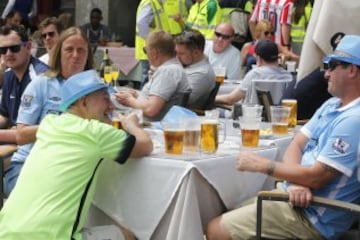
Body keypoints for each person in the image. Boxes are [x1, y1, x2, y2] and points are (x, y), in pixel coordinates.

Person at [206, 34, 360, 240]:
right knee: (221, 210)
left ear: (352, 70)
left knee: (216, 229)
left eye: (332, 65)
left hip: (314, 217)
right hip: (295, 196)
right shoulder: (332, 104)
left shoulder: (354, 119)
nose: (326, 73)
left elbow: (317, 177)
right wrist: (297, 182)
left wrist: (263, 165)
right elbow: (296, 144)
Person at [0, 69, 153, 239]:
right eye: (105, 98)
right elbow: (145, 146)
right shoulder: (96, 133)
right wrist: (131, 125)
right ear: (83, 101)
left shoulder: (50, 123)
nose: (111, 106)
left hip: (7, 231)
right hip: (52, 237)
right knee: (129, 235)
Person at [4, 26, 94, 196]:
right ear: (59, 53)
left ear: (88, 54)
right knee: (44, 198)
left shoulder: (96, 89)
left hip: (75, 165)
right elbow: (21, 135)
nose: (75, 55)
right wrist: (64, 125)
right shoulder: (41, 84)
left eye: (81, 50)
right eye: (69, 49)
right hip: (30, 164)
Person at [115, 30, 190, 121]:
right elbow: (154, 100)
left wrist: (129, 100)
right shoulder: (172, 68)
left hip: (147, 126)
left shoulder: (167, 71)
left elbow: (151, 110)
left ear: (154, 53)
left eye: (145, 50)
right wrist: (137, 95)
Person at [0, 25, 48, 143]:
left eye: (14, 48)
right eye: (3, 50)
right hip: (14, 140)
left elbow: (39, 131)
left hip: (34, 146)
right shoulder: (8, 75)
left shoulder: (41, 77)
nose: (8, 53)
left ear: (28, 46)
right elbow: (4, 116)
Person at [216, 39, 292, 105]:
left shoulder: (255, 74)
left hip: (253, 117)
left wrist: (210, 98)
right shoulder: (288, 76)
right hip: (280, 117)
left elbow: (231, 99)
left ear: (259, 58)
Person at [174, 29, 215, 109]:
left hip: (181, 116)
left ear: (196, 53)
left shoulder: (202, 74)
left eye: (181, 54)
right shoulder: (187, 64)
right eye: (176, 53)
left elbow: (180, 101)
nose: (177, 57)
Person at [135, 0, 171, 86]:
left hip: (154, 49)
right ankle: (144, 99)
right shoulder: (150, 3)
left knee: (151, 78)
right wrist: (150, 41)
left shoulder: (156, 3)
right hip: (152, 49)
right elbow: (141, 23)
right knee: (149, 79)